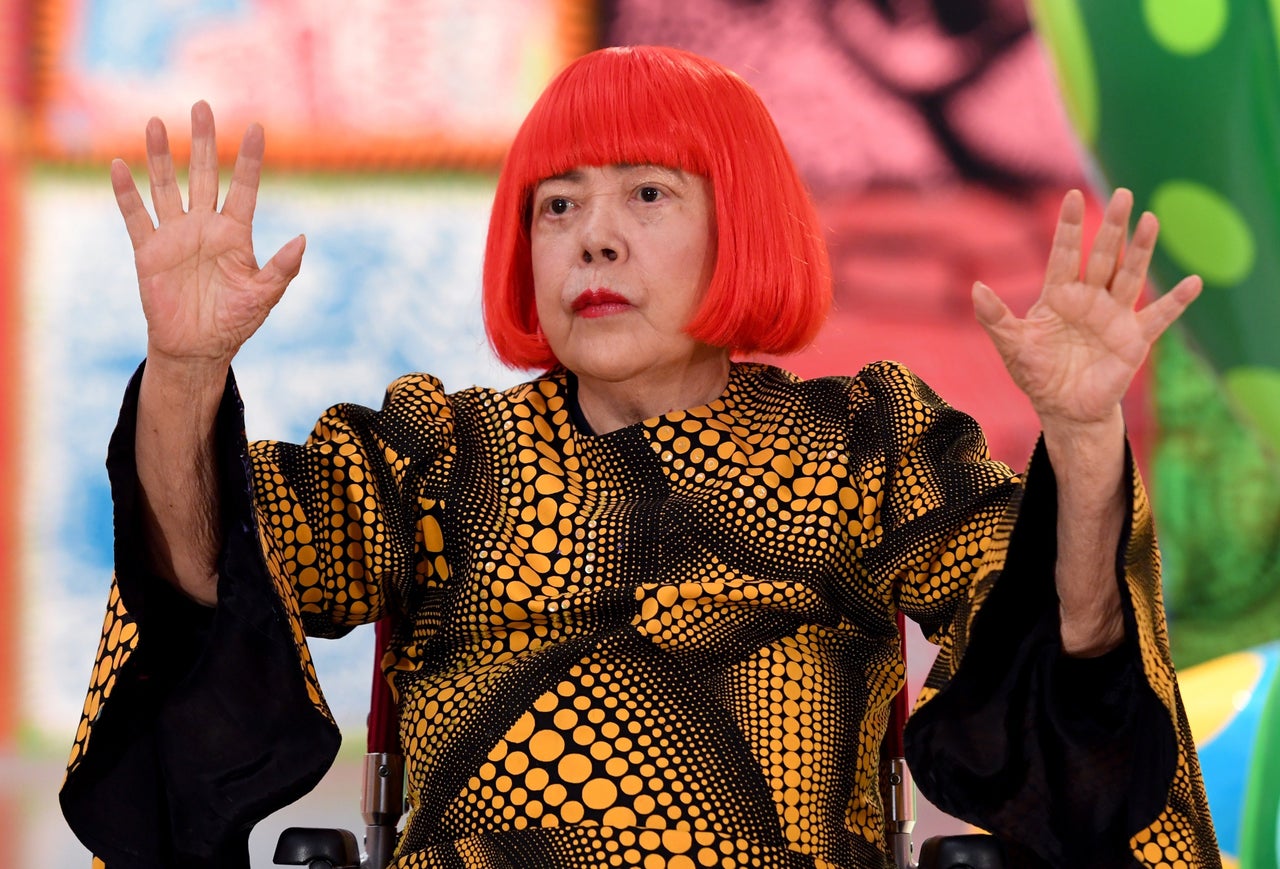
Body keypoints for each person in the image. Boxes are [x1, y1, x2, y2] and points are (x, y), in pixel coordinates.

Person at [60, 45, 1217, 869]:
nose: (592, 235)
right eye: (555, 207)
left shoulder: (869, 438)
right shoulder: (438, 445)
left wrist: (1079, 436)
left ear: (741, 226)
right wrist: (184, 374)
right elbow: (200, 568)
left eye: (645, 193)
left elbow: (1068, 660)